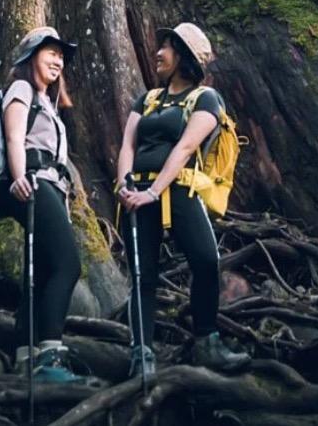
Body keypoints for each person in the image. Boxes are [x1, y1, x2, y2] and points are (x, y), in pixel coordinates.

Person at [116, 23, 250, 377]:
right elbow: (128, 145)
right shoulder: (146, 99)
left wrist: (153, 192)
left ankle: (207, 343)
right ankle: (140, 355)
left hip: (177, 191)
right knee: (143, 276)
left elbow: (186, 146)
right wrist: (124, 185)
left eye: (168, 47)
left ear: (185, 58)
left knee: (206, 261)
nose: (158, 52)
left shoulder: (206, 98)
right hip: (137, 196)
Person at [0, 26, 84, 383]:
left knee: (41, 272)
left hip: (48, 187)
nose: (58, 60)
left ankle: (26, 354)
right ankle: (49, 356)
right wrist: (20, 177)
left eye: (61, 55)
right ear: (31, 56)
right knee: (68, 265)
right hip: (33, 184)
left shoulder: (48, 102)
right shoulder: (22, 88)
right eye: (50, 52)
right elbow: (14, 136)